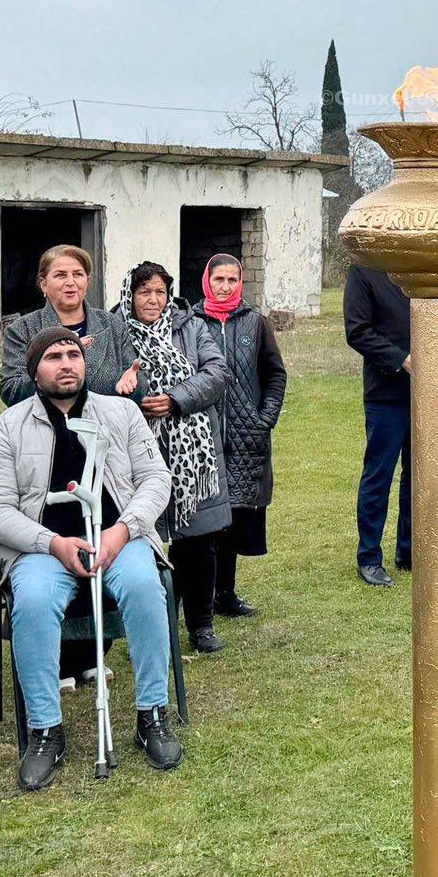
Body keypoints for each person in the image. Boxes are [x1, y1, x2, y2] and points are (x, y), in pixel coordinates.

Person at [0, 328, 181, 791]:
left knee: (146, 588)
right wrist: (52, 543)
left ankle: (152, 713)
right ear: (34, 371)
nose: (66, 363)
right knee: (30, 601)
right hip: (43, 549)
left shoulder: (121, 412)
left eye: (73, 354)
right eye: (53, 356)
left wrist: (123, 531)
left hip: (118, 538)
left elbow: (155, 478)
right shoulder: (9, 427)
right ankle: (45, 730)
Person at [117, 261, 232, 653]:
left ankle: (201, 625)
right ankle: (157, 626)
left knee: (198, 541)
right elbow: (105, 381)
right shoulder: (116, 330)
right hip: (139, 451)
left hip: (194, 455)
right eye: (144, 291)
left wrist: (176, 400)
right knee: (145, 543)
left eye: (160, 292)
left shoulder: (190, 326)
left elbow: (216, 372)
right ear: (129, 295)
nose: (153, 299)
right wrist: (137, 398)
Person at [194, 254, 286, 618]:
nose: (226, 286)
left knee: (234, 516)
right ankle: (197, 596)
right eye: (220, 279)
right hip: (204, 434)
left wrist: (265, 418)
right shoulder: (191, 323)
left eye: (233, 280)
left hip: (246, 436)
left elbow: (275, 374)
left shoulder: (255, 323)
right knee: (204, 518)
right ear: (207, 281)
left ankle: (226, 594)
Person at [0, 244, 140, 404]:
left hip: (106, 425)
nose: (70, 282)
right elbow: (11, 391)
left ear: (87, 281)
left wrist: (135, 383)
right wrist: (52, 364)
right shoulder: (22, 330)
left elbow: (134, 378)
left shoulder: (113, 324)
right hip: (48, 425)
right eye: (61, 275)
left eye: (78, 274)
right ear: (43, 283)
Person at [343, 263, 411, 587]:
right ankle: (369, 557)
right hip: (386, 394)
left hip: (427, 393)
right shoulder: (365, 271)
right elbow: (357, 331)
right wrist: (401, 359)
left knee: (419, 475)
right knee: (379, 475)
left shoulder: (419, 265)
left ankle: (409, 552)